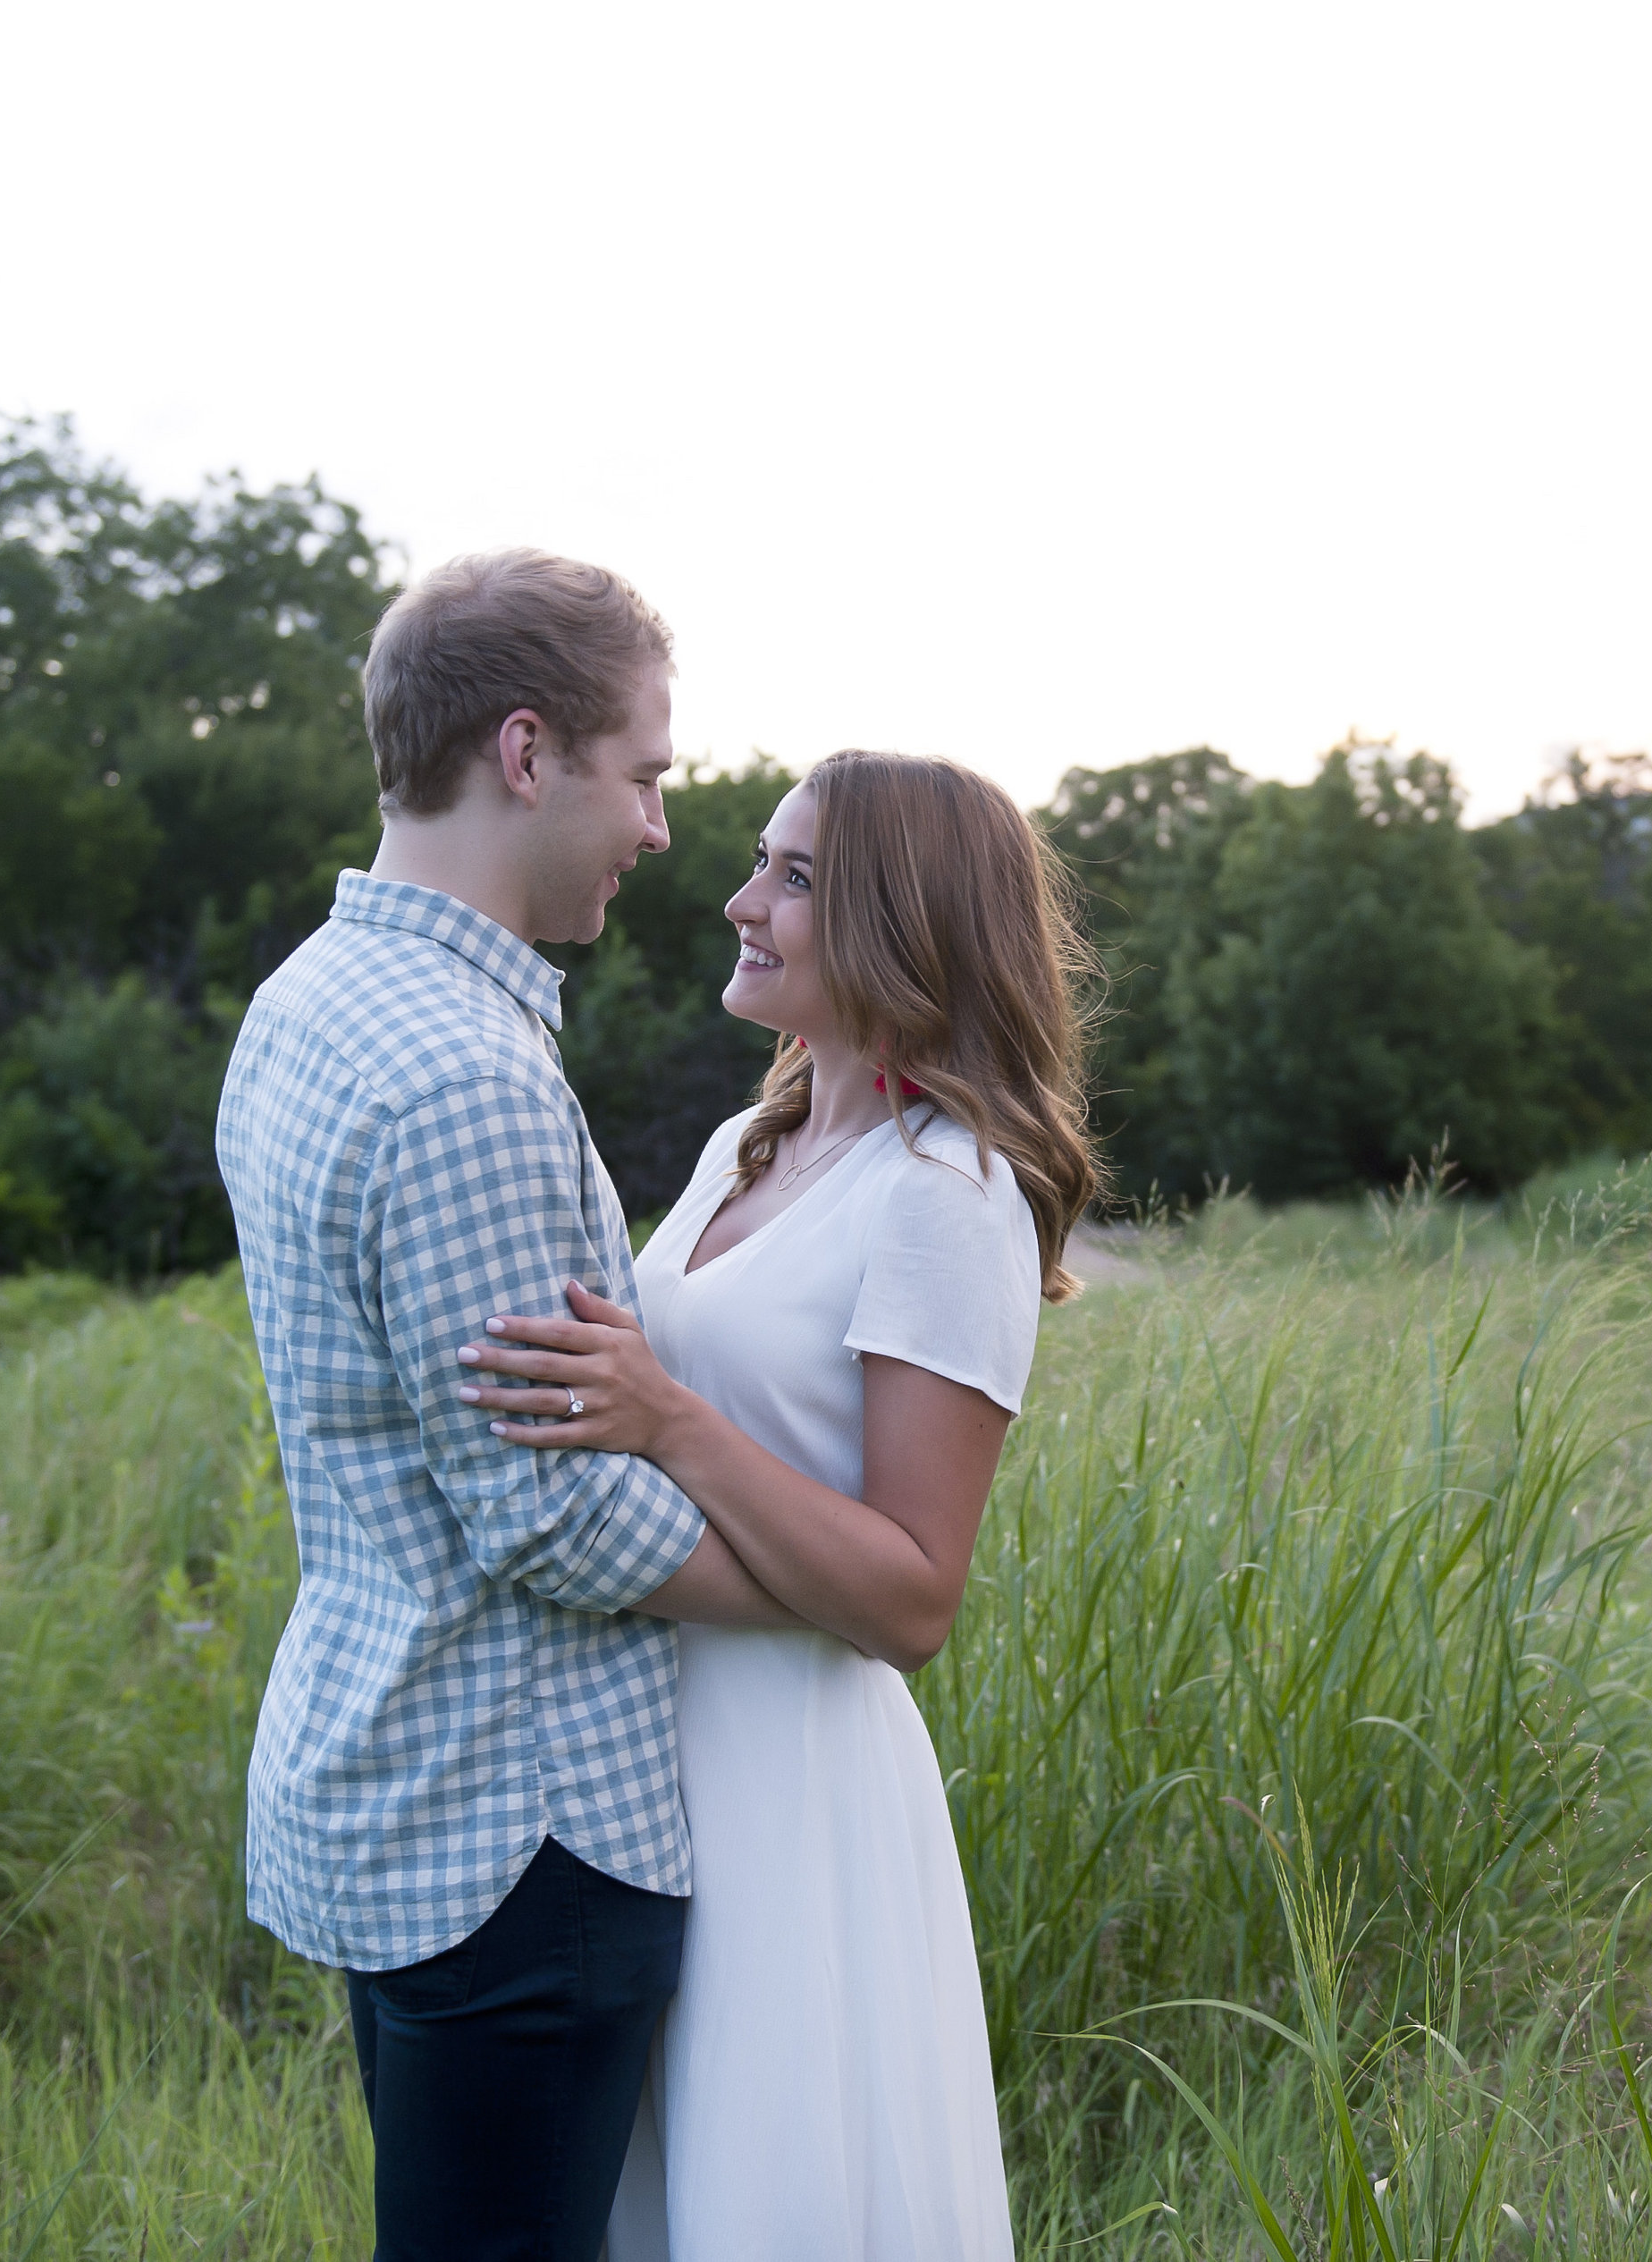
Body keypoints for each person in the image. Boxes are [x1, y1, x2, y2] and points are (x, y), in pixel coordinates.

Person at [213, 547, 798, 2262]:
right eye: (647, 773)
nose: (664, 829)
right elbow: (549, 1507)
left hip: (402, 1777)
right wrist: (833, 1584)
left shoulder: (312, 999)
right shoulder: (463, 1073)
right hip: (518, 1819)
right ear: (528, 753)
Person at [453, 750, 1100, 2262]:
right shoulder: (743, 1148)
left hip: (792, 1791)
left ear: (903, 915)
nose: (741, 901)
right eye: (761, 860)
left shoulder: (948, 1195)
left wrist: (667, 1419)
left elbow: (912, 1594)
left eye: (794, 876)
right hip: (639, 1770)